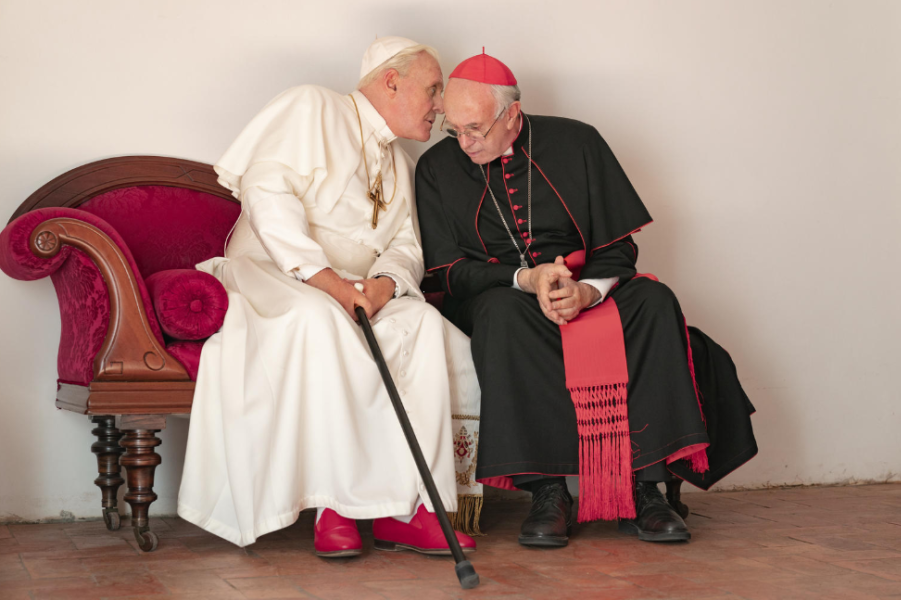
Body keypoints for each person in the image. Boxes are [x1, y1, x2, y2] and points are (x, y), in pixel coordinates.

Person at [415, 51, 757, 547]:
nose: (463, 143)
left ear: (511, 116)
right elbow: (446, 269)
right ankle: (549, 494)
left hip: (588, 289)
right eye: (454, 129)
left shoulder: (578, 142)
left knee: (655, 302)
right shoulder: (435, 169)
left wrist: (585, 291)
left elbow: (619, 246)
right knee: (498, 315)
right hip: (506, 296)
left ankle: (646, 490)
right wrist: (525, 280)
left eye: (475, 130)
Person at [177, 37, 481, 558]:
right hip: (275, 273)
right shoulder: (313, 106)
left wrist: (384, 286)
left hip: (357, 291)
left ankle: (411, 509)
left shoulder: (403, 164)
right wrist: (330, 282)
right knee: (322, 319)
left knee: (423, 326)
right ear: (391, 80)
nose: (440, 105)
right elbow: (267, 195)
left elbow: (406, 244)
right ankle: (334, 507)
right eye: (432, 90)